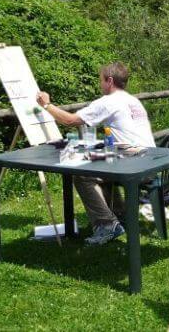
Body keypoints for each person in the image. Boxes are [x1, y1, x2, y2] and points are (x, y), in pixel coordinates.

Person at [35, 62, 156, 245]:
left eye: (101, 80)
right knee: (102, 166)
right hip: (151, 161)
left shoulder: (108, 102)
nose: (100, 84)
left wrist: (47, 105)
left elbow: (70, 120)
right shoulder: (133, 100)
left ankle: (107, 225)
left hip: (134, 165)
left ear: (109, 81)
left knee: (83, 174)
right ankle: (120, 216)